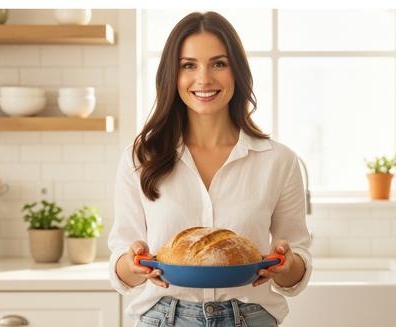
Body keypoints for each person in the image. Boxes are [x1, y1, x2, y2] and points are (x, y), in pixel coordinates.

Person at [108, 11, 313, 327]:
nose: (203, 79)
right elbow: (121, 264)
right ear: (172, 76)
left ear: (237, 72)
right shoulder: (141, 157)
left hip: (251, 317)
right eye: (188, 65)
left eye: (219, 63)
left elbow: (296, 267)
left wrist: (286, 265)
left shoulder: (279, 161)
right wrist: (132, 263)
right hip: (163, 317)